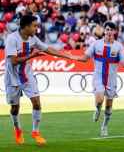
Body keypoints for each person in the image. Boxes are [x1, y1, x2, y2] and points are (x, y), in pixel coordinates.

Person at [4, 14, 76, 145]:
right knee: (15, 108)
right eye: (34, 26)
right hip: (12, 78)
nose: (36, 28)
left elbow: (48, 49)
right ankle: (18, 130)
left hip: (27, 76)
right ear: (25, 27)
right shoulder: (12, 39)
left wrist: (66, 56)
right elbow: (13, 61)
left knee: (37, 103)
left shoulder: (33, 38)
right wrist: (32, 55)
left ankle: (35, 132)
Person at [75, 21, 124, 137]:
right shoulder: (96, 44)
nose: (109, 32)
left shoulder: (118, 46)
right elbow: (85, 57)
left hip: (111, 80)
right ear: (104, 31)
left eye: (111, 30)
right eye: (107, 29)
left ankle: (104, 126)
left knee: (108, 107)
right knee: (99, 100)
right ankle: (97, 109)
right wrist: (70, 56)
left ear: (114, 32)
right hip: (98, 77)